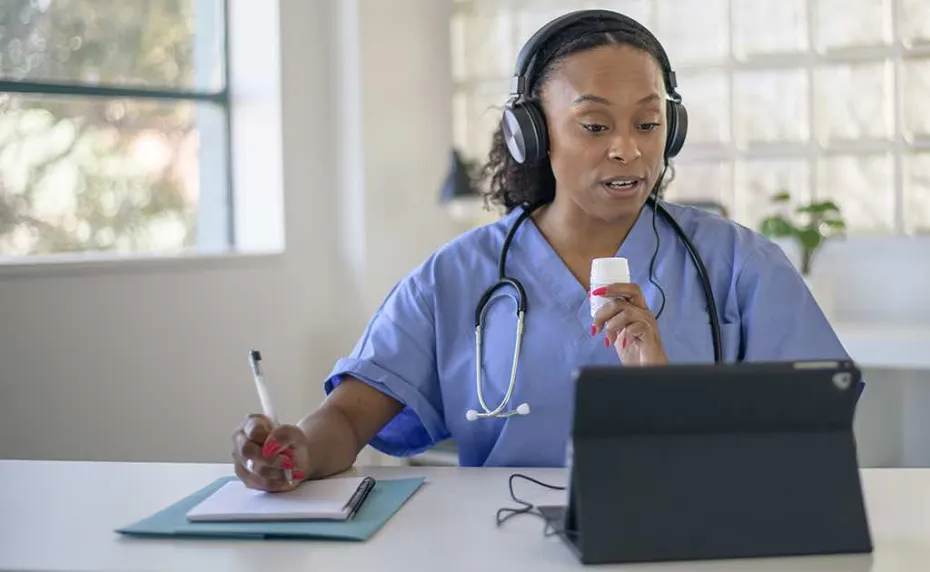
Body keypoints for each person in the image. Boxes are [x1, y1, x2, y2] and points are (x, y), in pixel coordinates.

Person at [231, 10, 852, 492]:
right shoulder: (455, 278)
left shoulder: (741, 265)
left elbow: (809, 434)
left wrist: (670, 393)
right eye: (594, 125)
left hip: (687, 535)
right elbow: (345, 420)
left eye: (648, 122)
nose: (628, 151)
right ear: (532, 133)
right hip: (504, 544)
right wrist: (299, 451)